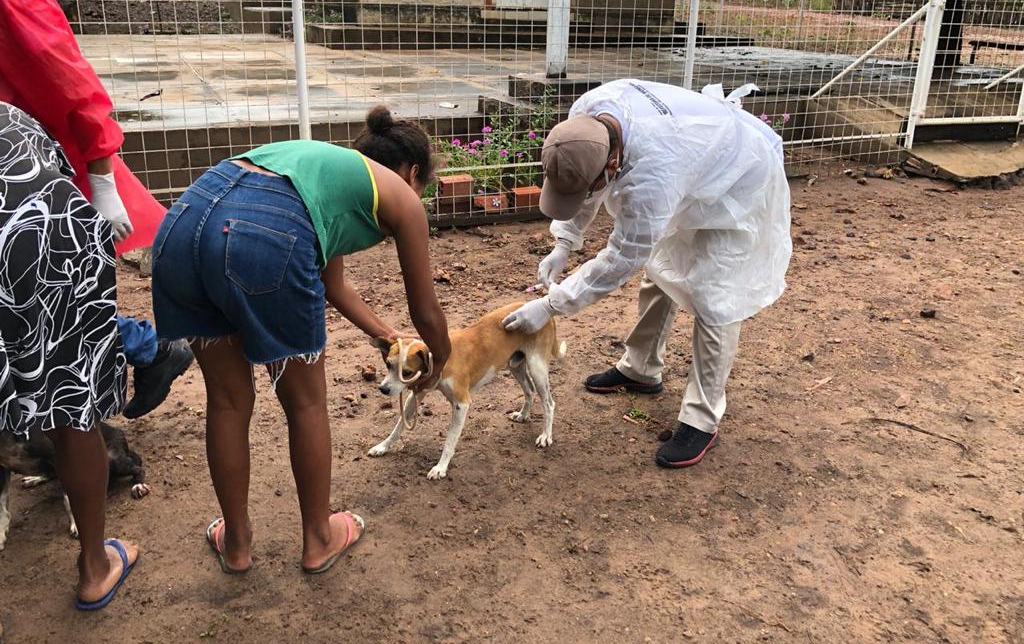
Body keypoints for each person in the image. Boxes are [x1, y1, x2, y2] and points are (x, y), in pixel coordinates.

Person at [150, 106, 451, 574]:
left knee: (228, 401)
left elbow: (334, 285)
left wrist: (386, 335)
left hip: (183, 222)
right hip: (262, 233)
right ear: (414, 172)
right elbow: (427, 312)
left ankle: (237, 543)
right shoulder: (402, 196)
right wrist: (439, 361)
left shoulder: (324, 173)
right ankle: (318, 539)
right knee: (306, 403)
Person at [502, 79, 792, 468]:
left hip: (739, 181)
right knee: (662, 268)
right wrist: (564, 242)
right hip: (696, 159)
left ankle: (702, 419)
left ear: (612, 162)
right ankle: (640, 369)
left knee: (715, 296)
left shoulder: (655, 174)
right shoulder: (586, 117)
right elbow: (587, 187)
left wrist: (551, 305)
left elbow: (621, 258)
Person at [0, 0, 192, 418]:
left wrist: (104, 184)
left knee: (49, 305)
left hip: (33, 177)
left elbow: (73, 84)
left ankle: (144, 352)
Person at [0, 102, 139, 609]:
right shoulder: (12, 123)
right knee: (69, 396)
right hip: (31, 223)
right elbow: (82, 97)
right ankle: (94, 568)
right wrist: (103, 183)